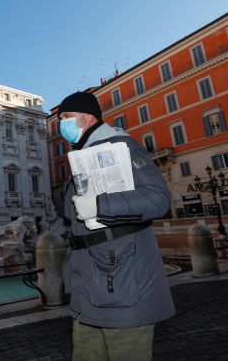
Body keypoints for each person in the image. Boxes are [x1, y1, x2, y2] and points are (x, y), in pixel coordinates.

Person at [57, 91, 174, 360]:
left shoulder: (123, 146)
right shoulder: (80, 155)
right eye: (59, 119)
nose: (62, 125)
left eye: (67, 117)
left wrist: (100, 206)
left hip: (122, 283)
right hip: (87, 287)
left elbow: (158, 199)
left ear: (88, 118)